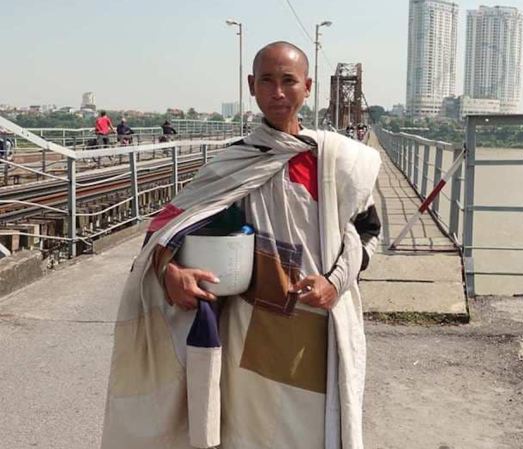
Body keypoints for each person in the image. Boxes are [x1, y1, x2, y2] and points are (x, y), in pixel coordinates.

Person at [101, 41, 382, 449]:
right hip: (246, 332)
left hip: (319, 331)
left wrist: (335, 283)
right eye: (267, 81)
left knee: (316, 431)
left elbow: (367, 232)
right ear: (252, 86)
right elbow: (164, 232)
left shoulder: (338, 162)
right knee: (246, 433)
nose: (278, 92)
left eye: (288, 81)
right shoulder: (231, 163)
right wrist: (170, 272)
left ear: (307, 86)